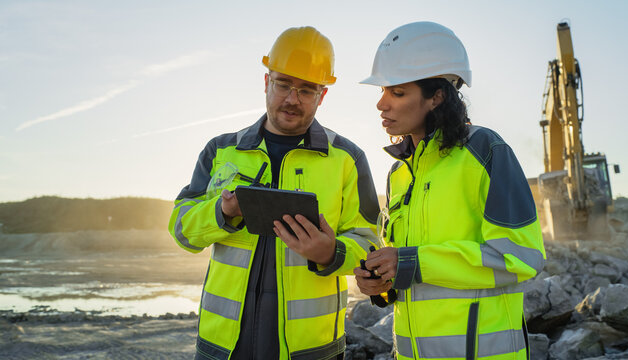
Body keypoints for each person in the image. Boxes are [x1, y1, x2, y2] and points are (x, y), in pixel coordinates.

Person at [169, 26, 380, 360]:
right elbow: (182, 230)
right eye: (283, 84)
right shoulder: (221, 150)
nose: (292, 98)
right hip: (223, 347)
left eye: (306, 90)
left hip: (310, 350)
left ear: (322, 95)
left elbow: (370, 244)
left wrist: (331, 252)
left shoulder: (347, 160)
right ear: (267, 82)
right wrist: (223, 214)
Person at [355, 22, 546, 360]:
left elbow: (519, 258)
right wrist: (382, 284)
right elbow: (406, 269)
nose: (381, 104)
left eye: (397, 93)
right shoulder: (399, 172)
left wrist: (413, 262)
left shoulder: (486, 150)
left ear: (437, 96)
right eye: (382, 91)